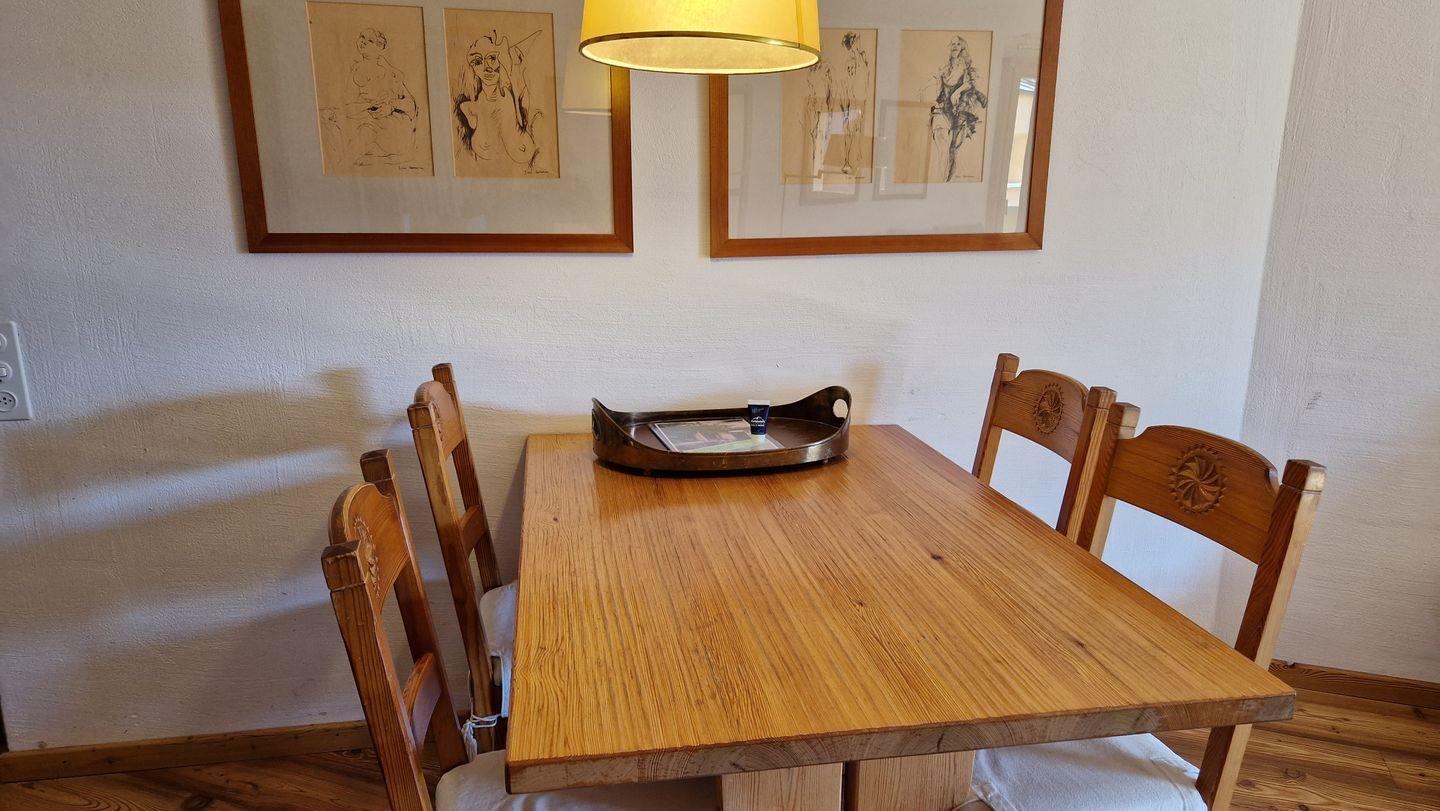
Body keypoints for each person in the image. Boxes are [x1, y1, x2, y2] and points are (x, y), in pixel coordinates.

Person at [454, 30, 550, 173]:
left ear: (501, 60)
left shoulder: (517, 96)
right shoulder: (468, 108)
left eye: (492, 58)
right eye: (478, 61)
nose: (487, 67)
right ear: (473, 69)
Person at [925, 36, 988, 181]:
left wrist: (957, 92)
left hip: (959, 112)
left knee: (952, 150)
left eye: (958, 44)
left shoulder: (967, 70)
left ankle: (946, 183)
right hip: (942, 111)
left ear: (962, 48)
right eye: (952, 43)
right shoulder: (943, 69)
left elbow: (971, 85)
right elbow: (938, 93)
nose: (955, 46)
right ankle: (940, 182)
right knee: (943, 148)